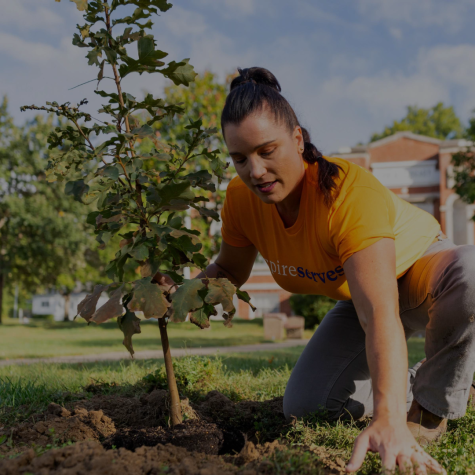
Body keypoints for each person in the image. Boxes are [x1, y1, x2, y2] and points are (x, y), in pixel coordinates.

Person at [159, 66, 475, 474]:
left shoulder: (346, 194)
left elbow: (379, 313)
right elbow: (229, 269)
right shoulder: (240, 199)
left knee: (470, 273)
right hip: (359, 294)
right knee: (309, 405)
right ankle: (451, 375)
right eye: (240, 158)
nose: (254, 171)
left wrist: (388, 418)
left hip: (421, 275)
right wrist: (182, 292)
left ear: (297, 139)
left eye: (266, 151)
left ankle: (428, 409)